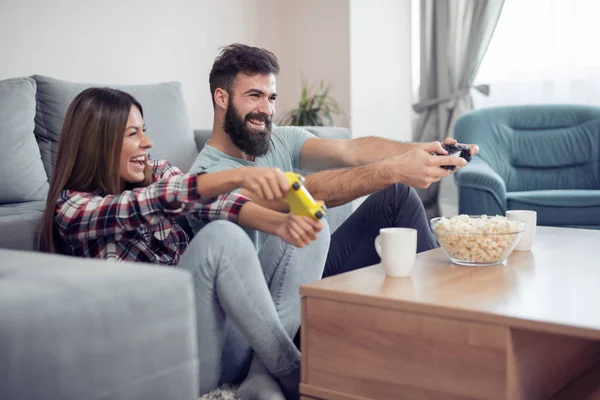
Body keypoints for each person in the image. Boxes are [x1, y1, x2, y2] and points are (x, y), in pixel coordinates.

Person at [38, 87, 330, 400]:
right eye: (133, 134)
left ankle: (260, 377)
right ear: (99, 143)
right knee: (222, 237)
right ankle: (292, 372)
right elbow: (151, 202)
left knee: (314, 229)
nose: (147, 142)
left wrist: (282, 224)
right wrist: (238, 177)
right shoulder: (72, 210)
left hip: (222, 340)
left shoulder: (155, 171)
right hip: (168, 356)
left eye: (144, 131)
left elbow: (213, 203)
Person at [189, 42, 479, 277]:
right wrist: (394, 169)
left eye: (272, 98)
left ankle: (439, 299)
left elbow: (350, 151)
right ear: (221, 97)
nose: (266, 109)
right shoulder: (207, 178)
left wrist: (426, 150)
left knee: (396, 198)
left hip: (311, 262)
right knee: (384, 191)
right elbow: (307, 193)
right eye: (254, 95)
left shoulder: (279, 138)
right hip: (273, 294)